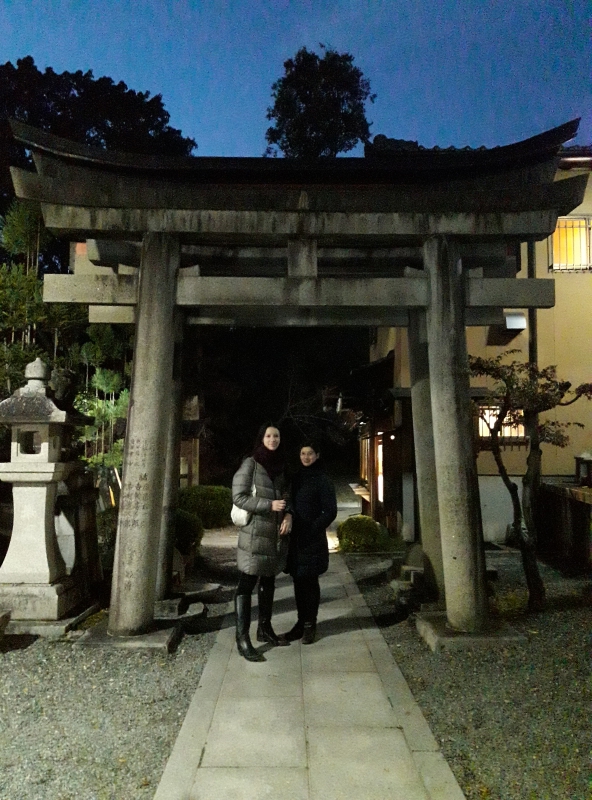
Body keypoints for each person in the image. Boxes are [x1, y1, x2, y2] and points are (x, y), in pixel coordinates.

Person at [232, 424, 292, 662]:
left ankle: (264, 629)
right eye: (268, 435)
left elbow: (287, 493)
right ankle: (242, 638)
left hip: (275, 534)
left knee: (268, 581)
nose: (273, 439)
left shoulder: (281, 464)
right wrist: (269, 505)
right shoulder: (251, 464)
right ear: (261, 438)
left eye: (276, 435)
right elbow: (239, 496)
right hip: (254, 534)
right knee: (246, 584)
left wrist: (288, 514)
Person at [281, 441, 337, 645]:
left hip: (312, 538)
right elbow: (289, 502)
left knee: (310, 582)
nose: (306, 457)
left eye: (310, 453)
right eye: (303, 453)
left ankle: (310, 624)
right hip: (296, 538)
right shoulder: (296, 478)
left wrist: (314, 528)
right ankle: (300, 622)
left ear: (317, 455)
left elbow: (330, 511)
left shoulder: (323, 480)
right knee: (298, 580)